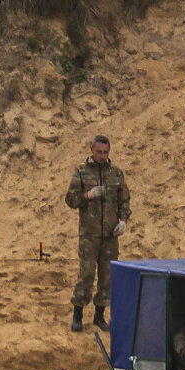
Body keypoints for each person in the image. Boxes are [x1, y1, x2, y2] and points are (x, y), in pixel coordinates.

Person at [64, 134, 131, 333]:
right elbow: (70, 200)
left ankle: (99, 315)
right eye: (99, 152)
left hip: (110, 235)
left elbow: (124, 200)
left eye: (105, 152)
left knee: (107, 276)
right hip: (89, 234)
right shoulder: (81, 172)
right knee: (86, 274)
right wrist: (87, 195)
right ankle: (77, 314)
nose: (102, 155)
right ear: (91, 150)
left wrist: (123, 220)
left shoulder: (116, 174)